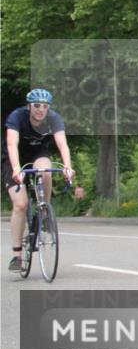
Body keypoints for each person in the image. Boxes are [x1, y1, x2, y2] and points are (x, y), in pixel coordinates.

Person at [3, 89, 75, 272]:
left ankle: (44, 211)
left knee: (46, 170)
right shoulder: (17, 117)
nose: (40, 110)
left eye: (44, 106)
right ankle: (17, 255)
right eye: (36, 106)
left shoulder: (54, 118)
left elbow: (62, 143)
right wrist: (17, 169)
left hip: (38, 154)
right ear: (29, 106)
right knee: (20, 204)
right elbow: (12, 144)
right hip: (14, 158)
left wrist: (67, 166)